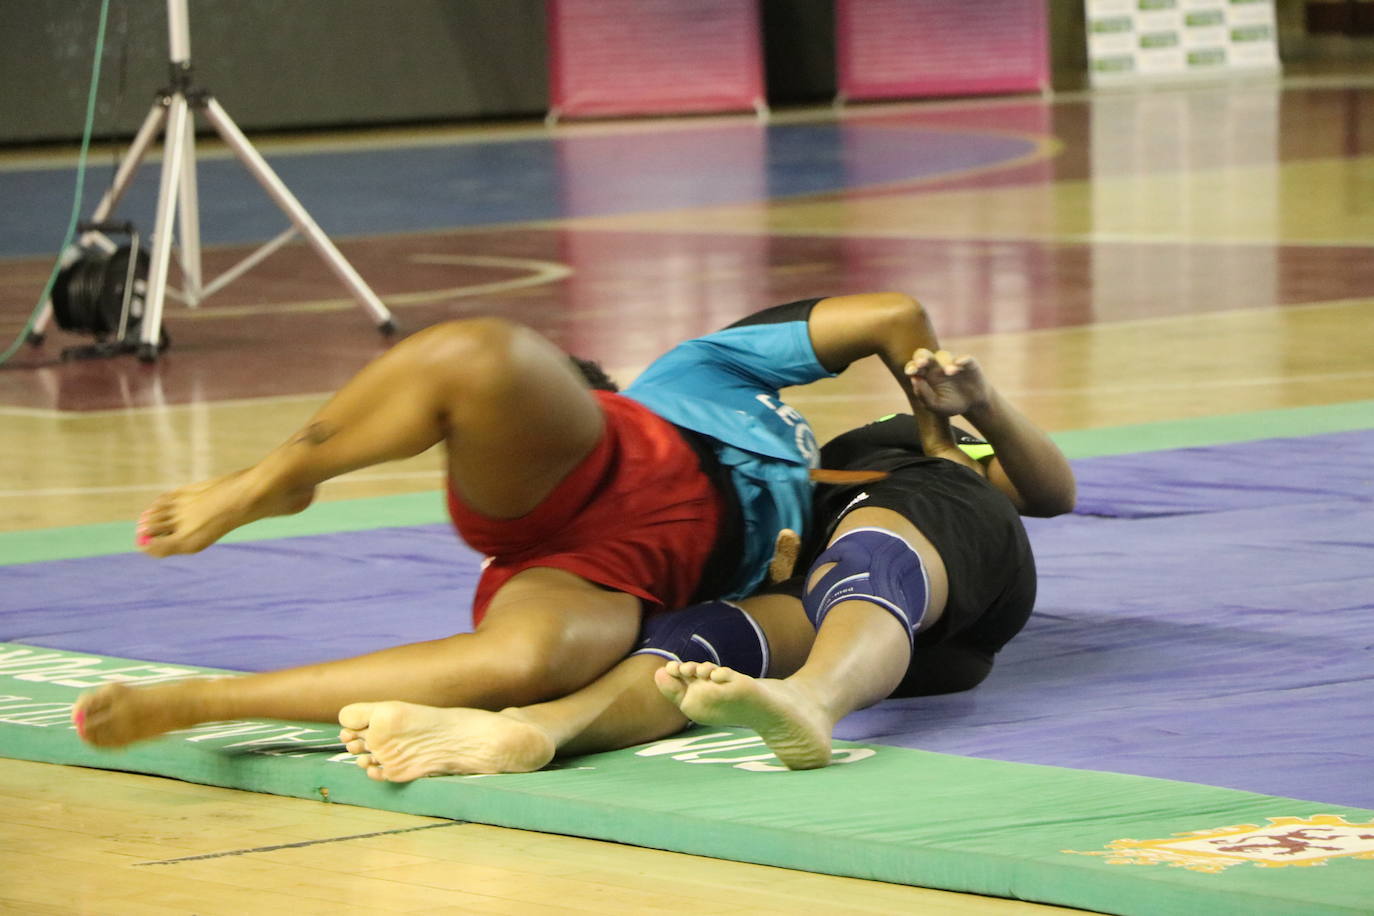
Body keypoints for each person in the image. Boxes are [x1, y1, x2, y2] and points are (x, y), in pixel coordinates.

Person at [74, 293, 1036, 748]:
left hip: (612, 578)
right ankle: (279, 478)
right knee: (486, 358)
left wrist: (940, 442)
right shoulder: (698, 369)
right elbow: (892, 315)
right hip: (609, 474)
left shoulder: (841, 493)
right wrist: (939, 429)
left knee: (516, 667)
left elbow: (903, 330)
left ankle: (204, 701)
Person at [332, 346, 1076, 780]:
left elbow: (1048, 492)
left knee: (866, 542)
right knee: (696, 642)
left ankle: (812, 703)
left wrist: (984, 407)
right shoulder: (624, 548)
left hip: (941, 546)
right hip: (897, 652)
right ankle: (536, 732)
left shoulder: (863, 448)